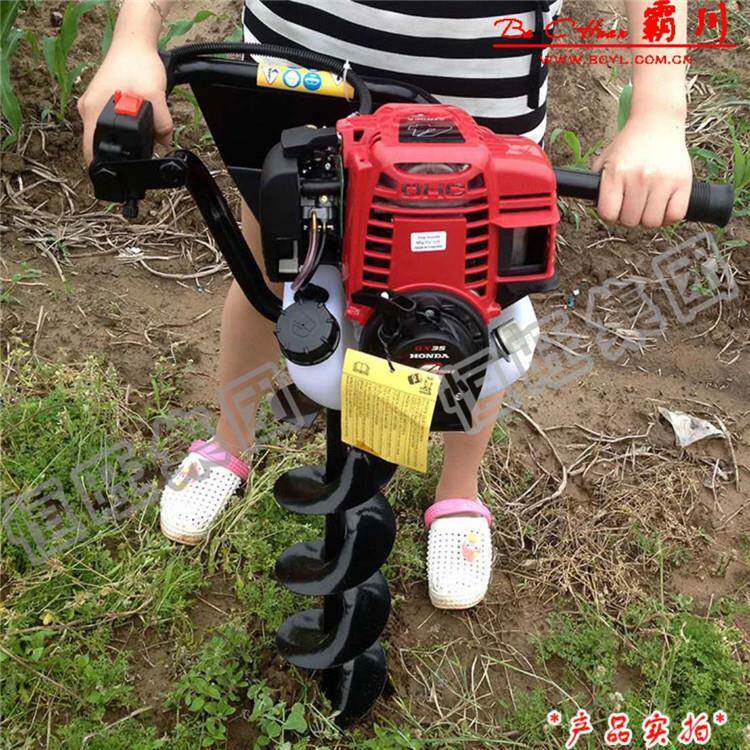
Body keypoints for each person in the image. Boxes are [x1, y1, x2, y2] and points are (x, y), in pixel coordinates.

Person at [79, 0, 692, 610]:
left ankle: (458, 492)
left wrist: (659, 112)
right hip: (294, 80)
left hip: (480, 110)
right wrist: (134, 35)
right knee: (270, 279)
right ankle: (228, 443)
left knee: (473, 314)